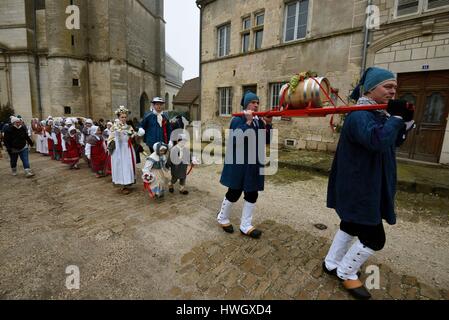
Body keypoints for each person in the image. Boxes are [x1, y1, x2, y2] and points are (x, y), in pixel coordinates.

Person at [323, 67, 415, 300]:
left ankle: (331, 263)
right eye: (387, 86)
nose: (393, 91)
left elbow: (393, 142)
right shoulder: (360, 115)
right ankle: (346, 272)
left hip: (367, 183)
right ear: (372, 88)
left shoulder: (377, 113)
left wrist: (405, 121)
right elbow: (377, 141)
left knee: (350, 225)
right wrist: (395, 118)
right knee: (375, 238)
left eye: (395, 86)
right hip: (360, 187)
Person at [216, 91, 273, 239]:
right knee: (234, 193)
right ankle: (222, 218)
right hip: (239, 164)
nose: (256, 105)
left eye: (257, 102)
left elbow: (266, 140)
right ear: (246, 103)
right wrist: (247, 122)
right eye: (253, 102)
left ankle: (245, 225)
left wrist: (267, 124)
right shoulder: (238, 120)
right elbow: (236, 140)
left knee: (252, 194)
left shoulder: (258, 120)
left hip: (253, 165)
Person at [108, 106, 137, 195]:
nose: (124, 119)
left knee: (128, 165)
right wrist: (117, 136)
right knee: (121, 166)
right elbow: (110, 139)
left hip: (128, 149)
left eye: (125, 117)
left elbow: (132, 136)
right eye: (122, 117)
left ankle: (128, 182)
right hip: (119, 149)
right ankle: (123, 184)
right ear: (118, 117)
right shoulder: (114, 127)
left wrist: (135, 135)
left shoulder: (129, 127)